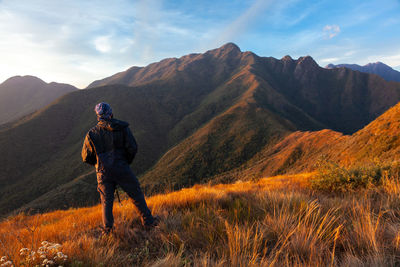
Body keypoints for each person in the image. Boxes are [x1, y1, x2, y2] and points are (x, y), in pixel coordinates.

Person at [81, 102, 157, 233]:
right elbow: (132, 147)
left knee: (106, 202)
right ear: (111, 113)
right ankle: (148, 222)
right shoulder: (122, 128)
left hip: (103, 172)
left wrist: (98, 163)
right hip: (122, 168)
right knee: (136, 194)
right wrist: (125, 162)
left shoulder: (91, 134)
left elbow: (86, 157)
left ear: (98, 116)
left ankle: (108, 230)